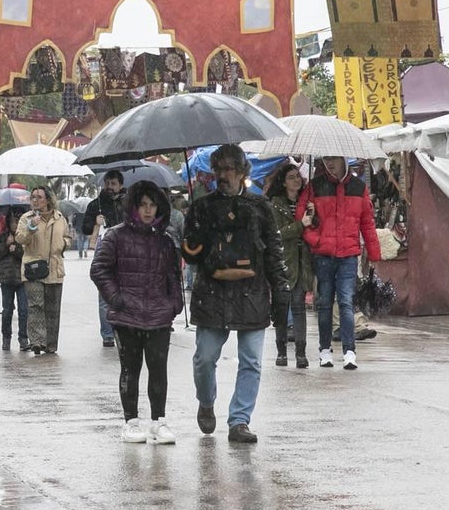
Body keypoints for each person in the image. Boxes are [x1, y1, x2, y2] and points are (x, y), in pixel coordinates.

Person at [182, 144, 289, 444]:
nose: (224, 175)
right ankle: (206, 401)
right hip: (212, 295)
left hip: (251, 296)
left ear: (243, 172)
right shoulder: (201, 207)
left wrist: (281, 292)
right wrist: (194, 236)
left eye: (230, 168)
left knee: (252, 361)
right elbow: (190, 257)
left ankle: (239, 420)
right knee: (204, 359)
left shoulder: (261, 207)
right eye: (219, 169)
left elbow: (274, 255)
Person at [91, 181, 185, 444]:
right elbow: (99, 269)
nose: (147, 210)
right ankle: (131, 421)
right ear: (133, 206)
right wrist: (117, 299)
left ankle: (159, 421)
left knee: (158, 369)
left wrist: (174, 304)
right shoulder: (116, 236)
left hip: (159, 315)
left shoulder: (165, 241)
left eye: (152, 205)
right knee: (130, 369)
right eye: (142, 205)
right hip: (127, 315)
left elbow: (173, 276)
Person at [297, 155, 381, 370]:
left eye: (334, 159)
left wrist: (374, 254)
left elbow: (367, 223)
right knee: (324, 303)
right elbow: (302, 220)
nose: (330, 163)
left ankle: (349, 351)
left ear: (344, 160)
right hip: (323, 255)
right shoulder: (315, 187)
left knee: (345, 302)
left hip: (348, 256)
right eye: (326, 160)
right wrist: (316, 239)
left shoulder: (358, 187)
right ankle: (325, 350)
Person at [265, 162, 314, 368]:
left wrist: (312, 217)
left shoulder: (307, 202)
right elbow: (277, 234)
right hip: (284, 262)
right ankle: (282, 352)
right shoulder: (275, 204)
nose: (297, 180)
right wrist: (300, 225)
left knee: (299, 307)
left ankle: (301, 353)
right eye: (291, 177)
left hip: (303, 262)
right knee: (282, 307)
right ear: (283, 183)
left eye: (298, 176)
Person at [14, 185, 71, 355]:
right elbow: (20, 238)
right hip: (33, 267)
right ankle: (37, 341)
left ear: (47, 199)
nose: (35, 200)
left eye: (39, 197)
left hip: (54, 268)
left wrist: (64, 245)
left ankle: (51, 344)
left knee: (53, 309)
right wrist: (31, 227)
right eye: (33, 197)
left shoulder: (60, 218)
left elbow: (67, 237)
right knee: (36, 305)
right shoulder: (26, 218)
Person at [85, 170, 125, 347]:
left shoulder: (129, 203)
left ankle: (124, 328)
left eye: (113, 183)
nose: (109, 187)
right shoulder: (96, 204)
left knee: (125, 291)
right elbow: (84, 227)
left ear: (120, 185)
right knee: (104, 294)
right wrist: (95, 221)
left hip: (126, 253)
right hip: (104, 253)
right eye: (107, 183)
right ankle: (107, 334)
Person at [0, 208, 29, 351]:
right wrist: (7, 246)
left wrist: (17, 249)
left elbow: (28, 255)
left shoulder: (25, 237)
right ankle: (6, 338)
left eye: (18, 221)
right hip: (6, 278)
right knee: (7, 310)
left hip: (22, 278)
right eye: (13, 221)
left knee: (23, 310)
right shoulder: (2, 237)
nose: (15, 224)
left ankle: (23, 338)